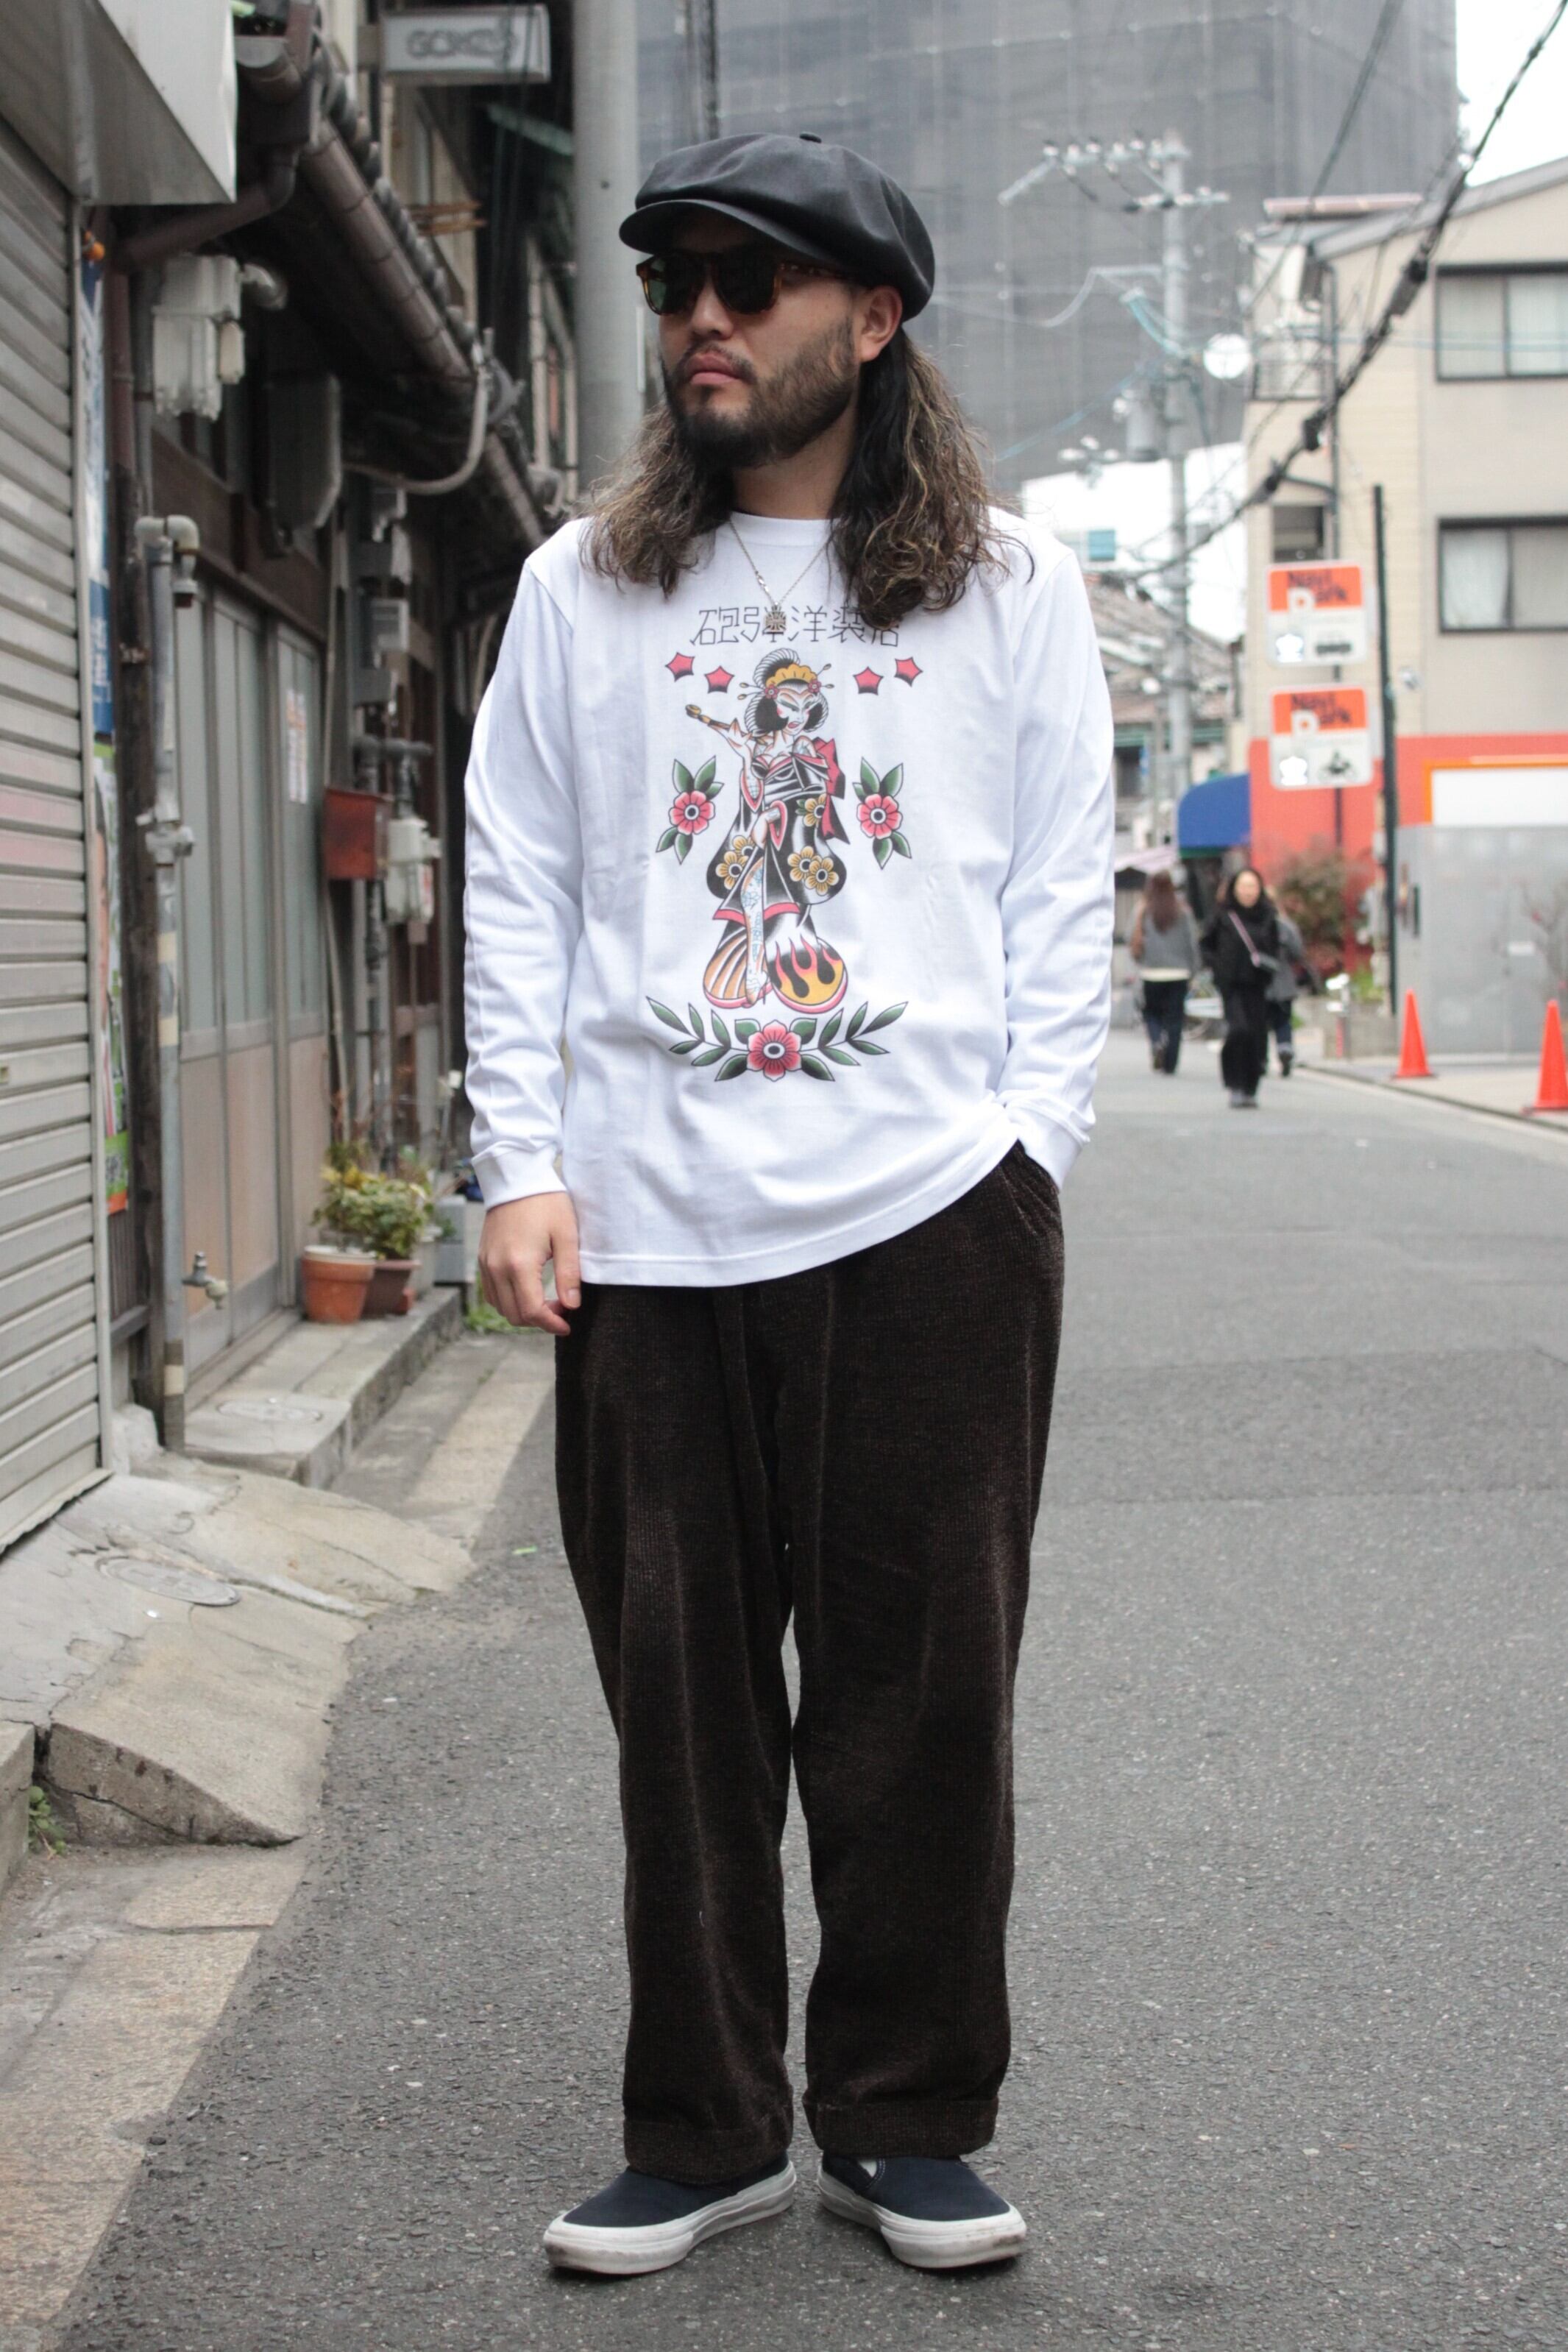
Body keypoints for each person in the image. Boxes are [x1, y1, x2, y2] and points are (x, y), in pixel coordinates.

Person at [464, 132, 1114, 2279]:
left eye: (749, 281)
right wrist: (521, 1162)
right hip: (646, 1231)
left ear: (874, 316)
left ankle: (905, 2119)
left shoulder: (1004, 589)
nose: (702, 320)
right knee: (681, 1714)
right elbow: (518, 885)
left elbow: (1057, 889)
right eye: (676, 284)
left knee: (923, 1701)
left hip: (930, 1212)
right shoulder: (584, 587)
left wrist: (1022, 1148)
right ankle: (705, 2125)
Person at [1201, 865, 1282, 1108]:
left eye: (1253, 886)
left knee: (1256, 1036)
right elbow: (1206, 945)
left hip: (1258, 985)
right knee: (1239, 1030)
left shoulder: (1268, 916)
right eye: (1244, 886)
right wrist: (1218, 967)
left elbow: (1275, 948)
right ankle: (1234, 1084)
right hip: (1231, 984)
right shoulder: (1223, 915)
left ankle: (1250, 1087)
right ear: (1234, 889)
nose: (1248, 891)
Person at [1129, 868, 1198, 1074]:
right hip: (1179, 973)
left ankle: (1157, 1040)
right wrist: (1194, 970)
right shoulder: (1183, 911)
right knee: (1175, 1018)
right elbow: (1192, 942)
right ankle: (1171, 1063)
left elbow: (1130, 936)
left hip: (1151, 972)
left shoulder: (1143, 910)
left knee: (1152, 1013)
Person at [1267, 903, 1307, 1075]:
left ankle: (1261, 1059)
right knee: (1283, 1020)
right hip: (1284, 981)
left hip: (1261, 984)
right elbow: (1297, 952)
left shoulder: (1253, 925)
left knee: (1261, 1024)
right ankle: (1285, 1047)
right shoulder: (1286, 927)